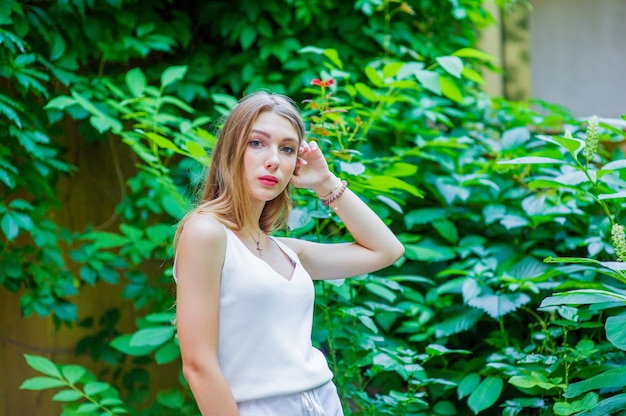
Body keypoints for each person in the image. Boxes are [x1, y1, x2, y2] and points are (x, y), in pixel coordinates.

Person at [174, 90, 404, 416]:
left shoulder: (285, 250)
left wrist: (325, 182)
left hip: (323, 403)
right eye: (257, 143)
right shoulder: (206, 233)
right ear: (230, 150)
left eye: (287, 149)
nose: (274, 160)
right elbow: (198, 366)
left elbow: (387, 250)